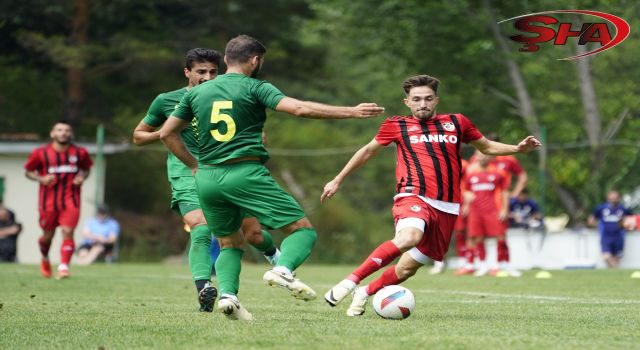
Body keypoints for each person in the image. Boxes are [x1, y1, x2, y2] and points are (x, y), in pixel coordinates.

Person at [159, 34, 384, 320]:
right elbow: (300, 108)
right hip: (244, 173)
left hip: (207, 177)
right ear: (255, 60)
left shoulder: (195, 93)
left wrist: (193, 164)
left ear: (226, 60)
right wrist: (351, 112)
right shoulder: (256, 87)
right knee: (303, 231)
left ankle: (228, 296)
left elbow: (167, 133)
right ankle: (283, 270)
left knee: (229, 242)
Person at [321, 74, 540, 316]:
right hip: (412, 195)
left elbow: (486, 146)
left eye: (427, 99)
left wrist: (517, 149)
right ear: (407, 102)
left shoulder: (457, 123)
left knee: (406, 269)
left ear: (436, 100)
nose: (422, 104)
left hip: (447, 206)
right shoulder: (396, 125)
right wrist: (338, 179)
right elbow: (366, 152)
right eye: (416, 99)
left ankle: (364, 292)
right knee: (409, 237)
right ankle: (349, 282)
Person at [132, 48, 279, 313]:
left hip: (224, 170)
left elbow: (254, 131)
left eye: (213, 71)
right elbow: (139, 136)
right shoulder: (167, 100)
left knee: (253, 234)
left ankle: (275, 257)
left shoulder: (227, 95)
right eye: (201, 72)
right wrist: (169, 130)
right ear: (187, 72)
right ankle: (205, 289)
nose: (208, 77)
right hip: (186, 170)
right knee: (200, 227)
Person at [24, 121, 93, 279]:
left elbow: (86, 169)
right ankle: (45, 258)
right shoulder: (40, 153)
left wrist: (82, 177)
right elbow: (28, 172)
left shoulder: (80, 152)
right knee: (47, 236)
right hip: (47, 202)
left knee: (68, 231)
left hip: (71, 200)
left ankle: (63, 267)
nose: (64, 133)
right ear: (52, 134)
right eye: (59, 130)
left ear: (71, 134)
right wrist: (41, 178)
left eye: (67, 130)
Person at [455, 151, 516, 277]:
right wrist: (466, 203)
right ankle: (483, 265)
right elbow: (465, 190)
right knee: (477, 237)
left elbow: (504, 192)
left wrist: (504, 209)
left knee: (500, 236)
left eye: (484, 155)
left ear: (490, 157)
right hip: (476, 211)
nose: (482, 157)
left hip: (493, 210)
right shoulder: (471, 173)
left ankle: (501, 265)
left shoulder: (499, 172)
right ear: (476, 157)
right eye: (479, 155)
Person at [588, 191, 632, 268]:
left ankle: (614, 274)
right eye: (612, 198)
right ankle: (616, 270)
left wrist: (627, 225)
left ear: (618, 198)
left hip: (619, 236)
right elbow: (591, 220)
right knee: (606, 256)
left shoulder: (623, 209)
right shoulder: (601, 208)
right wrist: (598, 226)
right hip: (606, 236)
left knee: (617, 257)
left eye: (615, 198)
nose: (614, 200)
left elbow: (631, 219)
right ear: (608, 198)